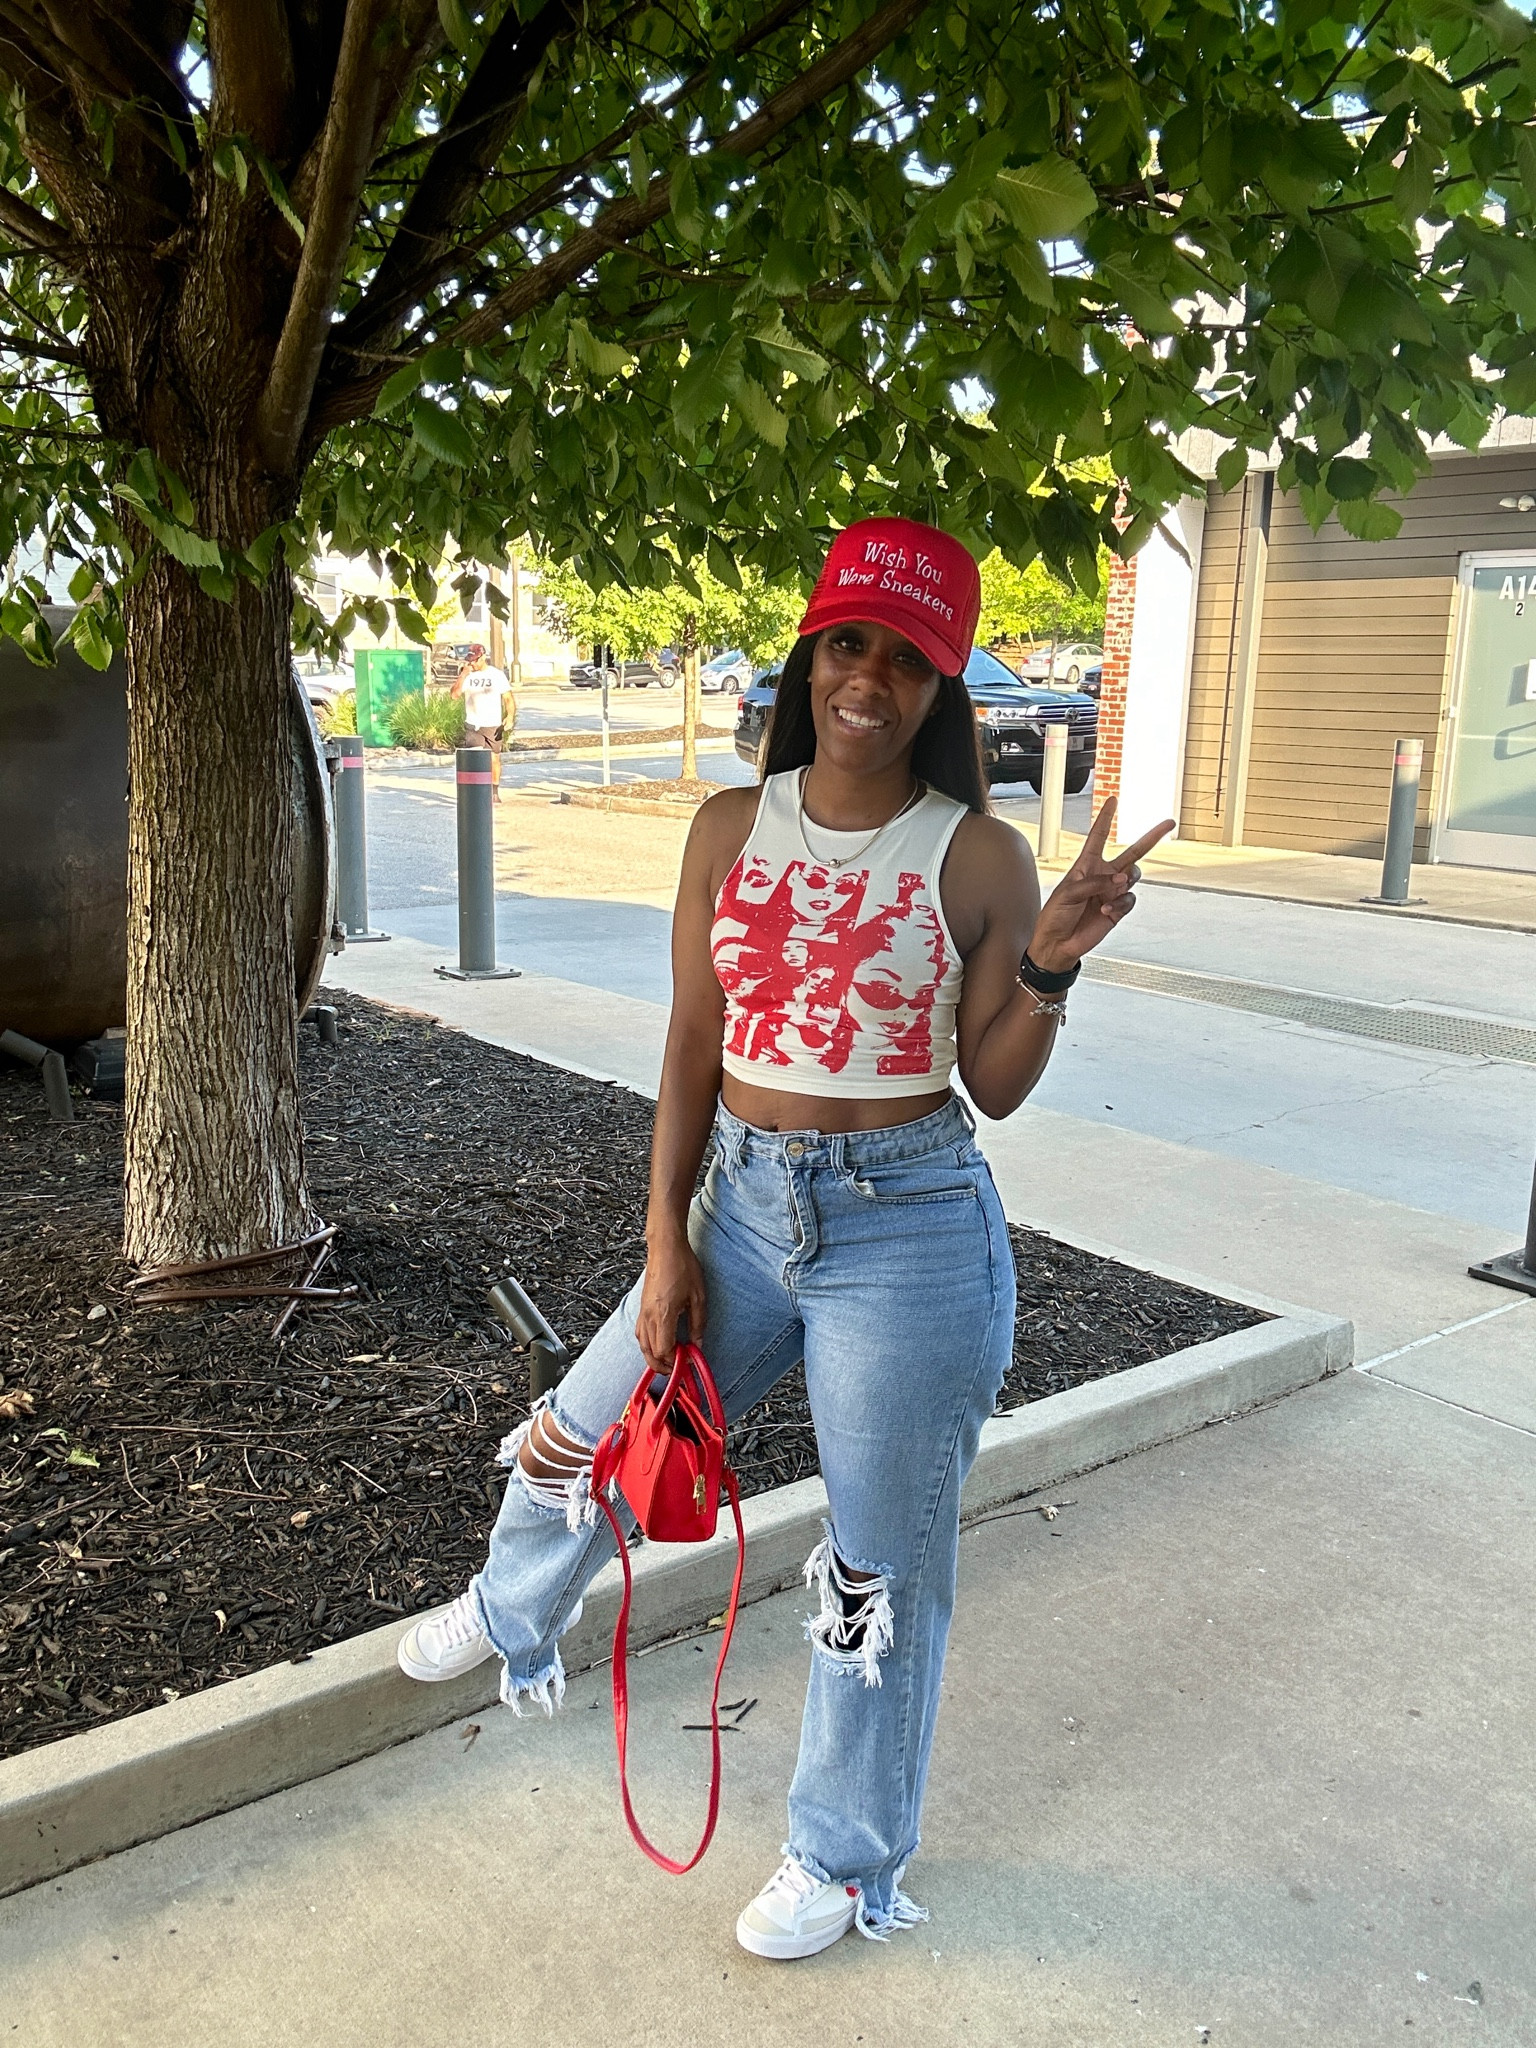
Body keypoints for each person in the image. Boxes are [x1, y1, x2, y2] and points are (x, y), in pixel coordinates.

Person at [398, 517, 1172, 1959]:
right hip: (741, 1204)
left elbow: (991, 1085)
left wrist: (1053, 958)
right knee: (595, 1421)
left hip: (913, 1228)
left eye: (907, 659)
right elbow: (694, 1041)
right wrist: (664, 1244)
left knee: (880, 1565)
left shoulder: (982, 853)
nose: (868, 679)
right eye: (849, 644)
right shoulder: (723, 827)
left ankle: (843, 1855)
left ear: (942, 691)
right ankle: (512, 1612)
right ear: (812, 653)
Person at [451, 644, 511, 799]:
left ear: (483, 657)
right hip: (473, 724)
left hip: (492, 724)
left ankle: (494, 792)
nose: (472, 663)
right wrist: (463, 675)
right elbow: (454, 695)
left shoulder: (496, 675)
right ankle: (477, 794)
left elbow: (508, 698)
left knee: (494, 758)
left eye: (475, 660)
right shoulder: (468, 675)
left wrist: (509, 716)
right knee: (475, 758)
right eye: (470, 660)